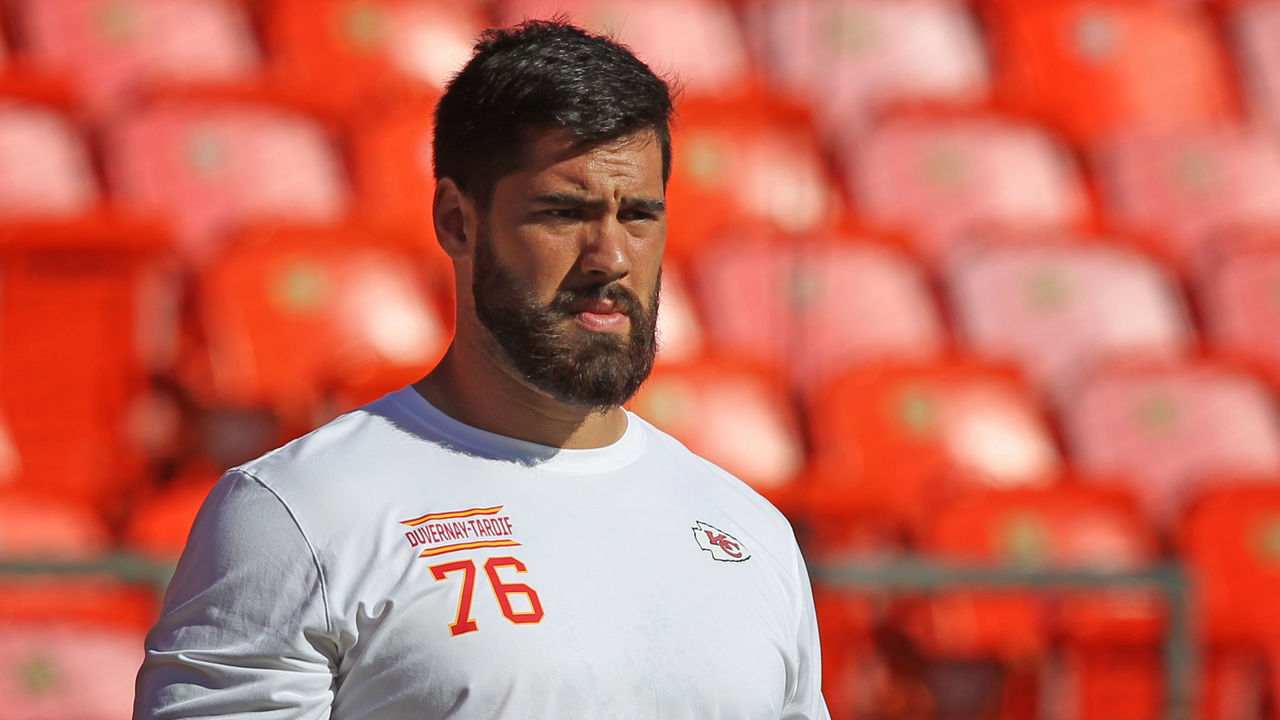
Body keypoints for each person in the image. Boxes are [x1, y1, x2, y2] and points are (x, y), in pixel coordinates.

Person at [134, 19, 830, 720]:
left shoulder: (748, 531)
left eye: (640, 215)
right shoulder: (296, 514)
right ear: (456, 221)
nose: (611, 257)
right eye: (564, 212)